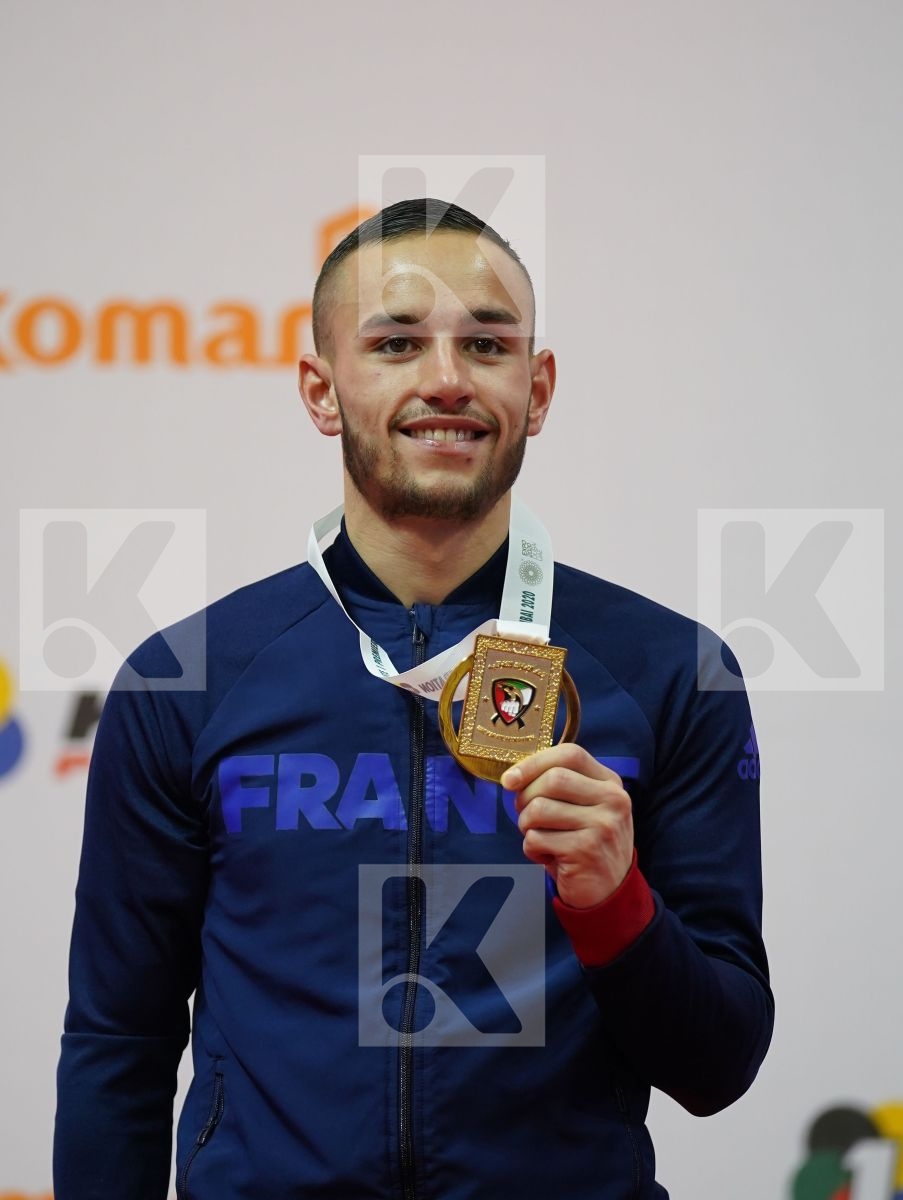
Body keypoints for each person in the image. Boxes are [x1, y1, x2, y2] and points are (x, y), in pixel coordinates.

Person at [54, 198, 774, 1200]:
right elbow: (116, 1043)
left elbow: (718, 1067)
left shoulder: (671, 673)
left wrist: (620, 907)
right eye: (396, 343)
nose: (446, 379)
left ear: (539, 386)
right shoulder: (190, 680)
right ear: (321, 387)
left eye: (487, 342)